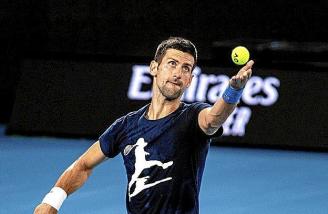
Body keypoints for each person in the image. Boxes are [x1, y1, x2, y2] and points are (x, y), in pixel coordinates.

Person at [34, 37, 254, 214]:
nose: (178, 73)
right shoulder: (126, 126)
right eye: (172, 64)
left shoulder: (193, 116)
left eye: (186, 68)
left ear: (190, 80)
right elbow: (83, 165)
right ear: (154, 68)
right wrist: (52, 201)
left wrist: (234, 90)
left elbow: (214, 118)